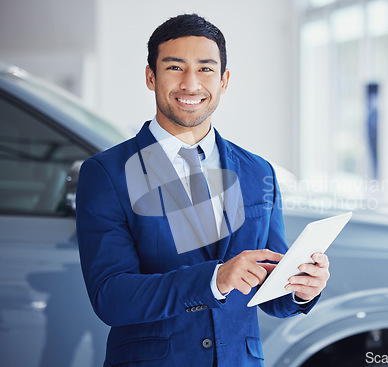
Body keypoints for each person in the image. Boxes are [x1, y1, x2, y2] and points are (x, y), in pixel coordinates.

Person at [76, 13, 330, 367]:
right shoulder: (106, 173)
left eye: (206, 69)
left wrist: (302, 289)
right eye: (175, 68)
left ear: (224, 80)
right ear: (151, 77)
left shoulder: (258, 172)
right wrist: (215, 279)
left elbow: (272, 290)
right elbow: (111, 297)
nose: (191, 84)